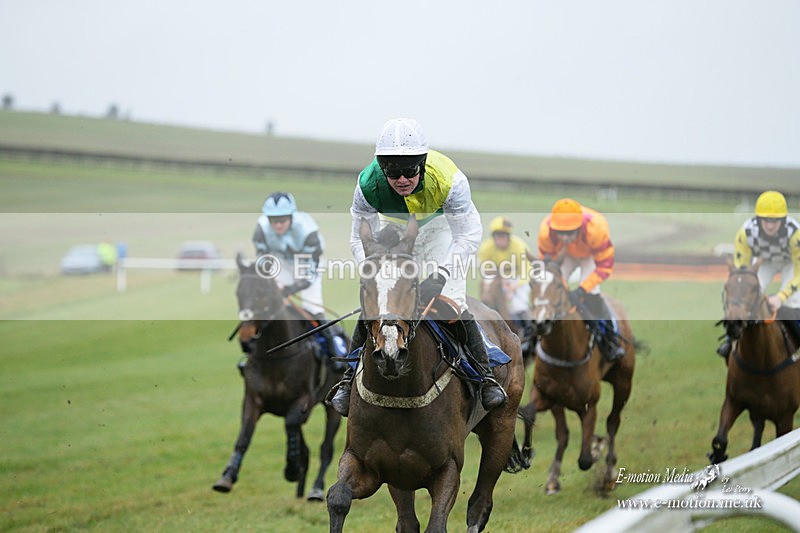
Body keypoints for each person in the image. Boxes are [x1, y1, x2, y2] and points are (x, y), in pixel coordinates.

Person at [328, 118, 508, 417]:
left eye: (410, 170)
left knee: (451, 302)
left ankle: (485, 376)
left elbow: (467, 234)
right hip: (394, 230)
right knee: (379, 302)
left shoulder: (450, 180)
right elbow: (359, 237)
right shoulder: (367, 184)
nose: (401, 179)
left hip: (442, 229)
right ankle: (348, 381)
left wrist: (440, 275)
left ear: (422, 164)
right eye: (392, 172)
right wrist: (372, 273)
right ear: (381, 168)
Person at [248, 191, 348, 370]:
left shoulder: (308, 230)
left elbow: (310, 273)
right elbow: (263, 259)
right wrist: (270, 282)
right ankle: (254, 352)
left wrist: (290, 289)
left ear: (291, 216)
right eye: (273, 220)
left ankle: (336, 351)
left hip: (307, 263)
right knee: (267, 306)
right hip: (281, 262)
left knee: (312, 309)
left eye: (282, 219)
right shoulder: (261, 229)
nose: (278, 225)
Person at [538, 198, 625, 361]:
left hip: (589, 256)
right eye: (561, 233)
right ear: (553, 228)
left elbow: (604, 267)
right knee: (548, 288)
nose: (565, 237)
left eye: (570, 232)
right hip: (564, 255)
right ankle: (532, 337)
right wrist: (564, 288)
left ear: (579, 227)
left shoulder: (596, 228)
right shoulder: (546, 232)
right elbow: (548, 268)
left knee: (591, 293)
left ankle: (610, 339)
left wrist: (581, 290)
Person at [717, 190, 800, 358]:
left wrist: (781, 297)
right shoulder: (745, 233)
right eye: (765, 220)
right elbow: (741, 273)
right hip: (765, 261)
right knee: (747, 296)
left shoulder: (795, 235)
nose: (770, 225)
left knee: (793, 302)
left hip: (790, 263)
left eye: (775, 221)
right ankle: (729, 340)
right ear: (757, 219)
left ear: (783, 220)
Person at [477, 216, 536, 351]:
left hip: (518, 277)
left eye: (503, 235)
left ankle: (529, 337)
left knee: (518, 305)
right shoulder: (486, 247)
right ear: (493, 237)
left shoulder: (519, 246)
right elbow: (485, 269)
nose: (501, 239)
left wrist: (514, 286)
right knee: (487, 289)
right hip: (497, 277)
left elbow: (527, 270)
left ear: (509, 236)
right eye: (498, 235)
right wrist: (501, 281)